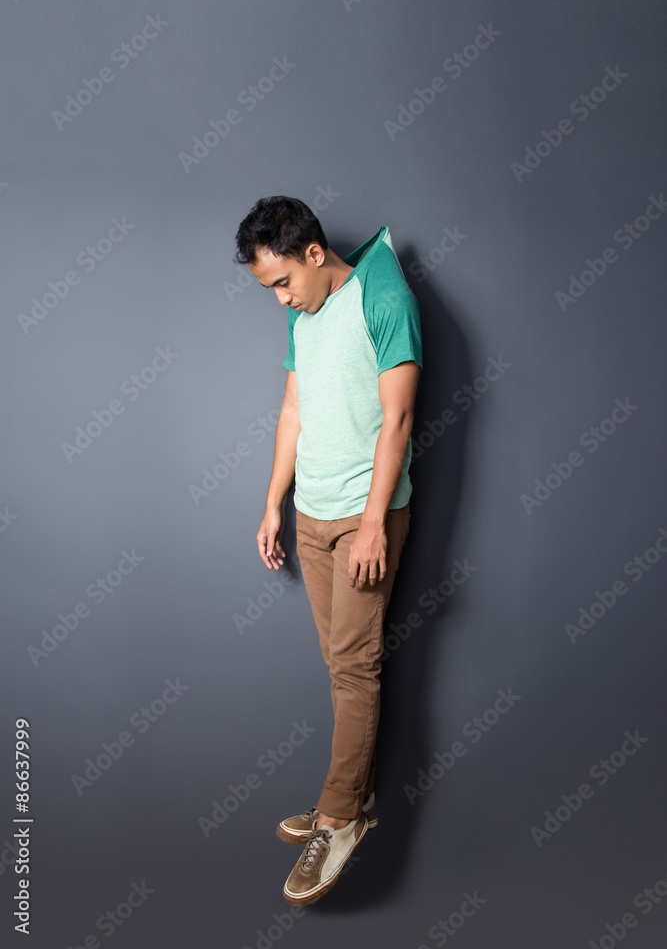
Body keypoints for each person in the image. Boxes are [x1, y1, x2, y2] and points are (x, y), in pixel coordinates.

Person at [234, 196, 422, 905]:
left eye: (281, 282)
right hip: (310, 515)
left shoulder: (384, 294)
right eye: (269, 289)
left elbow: (398, 417)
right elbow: (293, 408)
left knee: (353, 667)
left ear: (313, 254)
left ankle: (340, 820)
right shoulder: (301, 312)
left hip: (361, 519)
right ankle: (346, 796)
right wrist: (272, 502)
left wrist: (374, 523)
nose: (279, 299)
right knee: (341, 664)